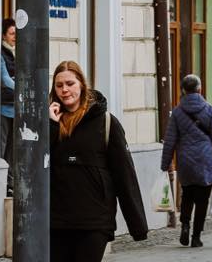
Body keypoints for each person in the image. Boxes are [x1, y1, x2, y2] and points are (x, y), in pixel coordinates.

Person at [48, 60, 149, 261]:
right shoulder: (50, 122)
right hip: (57, 220)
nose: (65, 90)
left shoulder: (106, 122)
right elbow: (38, 163)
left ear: (82, 85)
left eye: (70, 84)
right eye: (59, 86)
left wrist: (137, 226)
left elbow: (124, 174)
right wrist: (51, 125)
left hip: (94, 220)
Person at [160, 74, 212, 247]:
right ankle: (196, 237)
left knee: (187, 195)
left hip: (186, 160)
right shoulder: (208, 109)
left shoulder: (177, 112)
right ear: (199, 89)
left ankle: (185, 225)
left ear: (183, 90)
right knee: (202, 199)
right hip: (206, 159)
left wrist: (165, 163)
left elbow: (170, 140)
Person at [0, 18, 16, 188]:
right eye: (12, 33)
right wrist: (23, 90)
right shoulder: (1, 54)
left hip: (16, 108)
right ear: (4, 36)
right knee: (3, 147)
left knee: (13, 150)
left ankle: (10, 183)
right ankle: (2, 183)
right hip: (5, 107)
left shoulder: (16, 52)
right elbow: (5, 79)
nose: (15, 37)